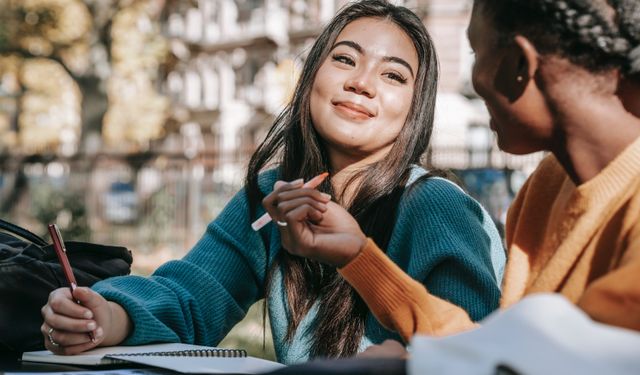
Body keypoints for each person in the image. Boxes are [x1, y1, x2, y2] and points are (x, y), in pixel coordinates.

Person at [40, 0, 506, 364]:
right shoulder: (273, 195)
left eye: (392, 75)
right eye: (344, 59)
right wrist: (108, 317)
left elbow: (472, 347)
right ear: (311, 78)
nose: (362, 83)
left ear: (415, 110)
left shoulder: (435, 205)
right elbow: (192, 295)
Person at [266, 0, 640, 346]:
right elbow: (496, 350)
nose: (472, 74)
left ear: (517, 66)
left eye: (475, 53)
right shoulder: (547, 185)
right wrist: (357, 256)